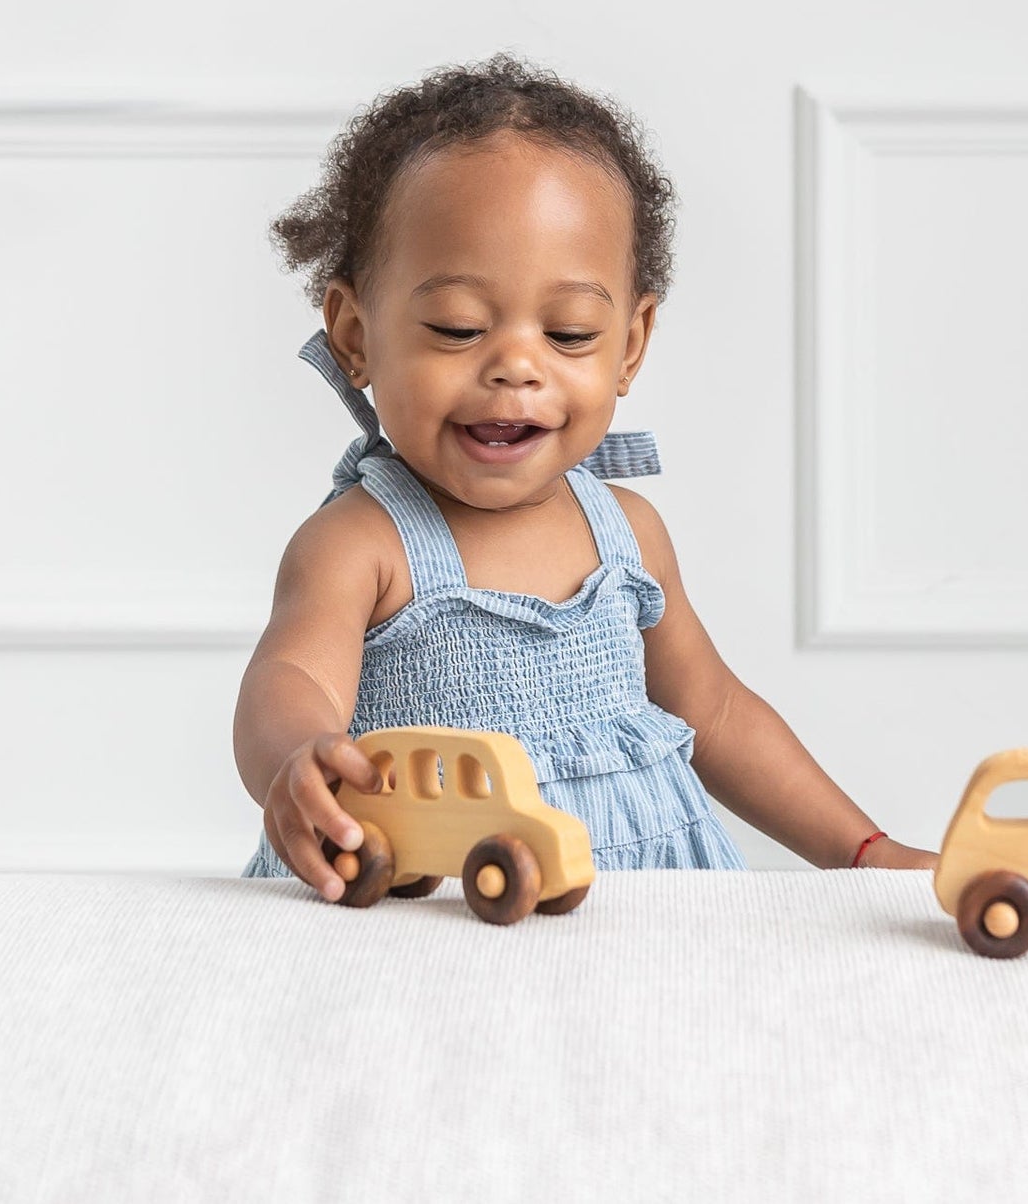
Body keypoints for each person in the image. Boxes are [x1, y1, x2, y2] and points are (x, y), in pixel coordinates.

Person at [233, 52, 939, 900]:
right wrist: (298, 760)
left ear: (631, 346)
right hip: (433, 902)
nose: (516, 368)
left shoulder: (626, 532)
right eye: (458, 328)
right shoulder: (363, 544)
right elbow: (290, 680)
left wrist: (865, 852)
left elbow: (713, 714)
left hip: (634, 910)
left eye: (568, 335)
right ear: (355, 336)